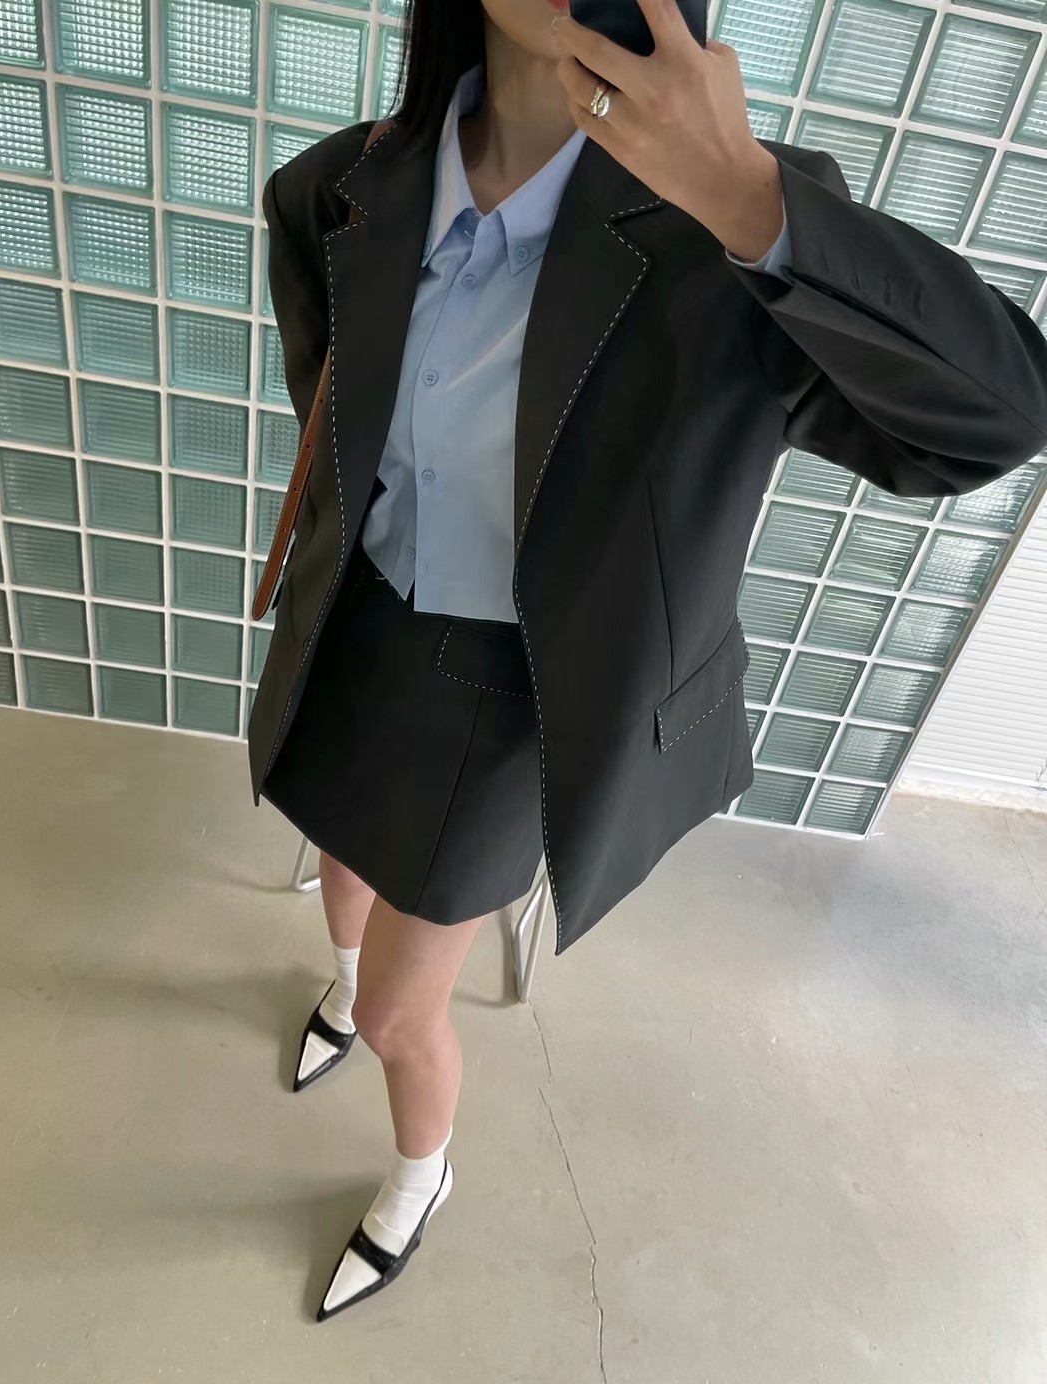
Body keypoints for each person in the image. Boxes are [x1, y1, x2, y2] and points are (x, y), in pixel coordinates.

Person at [248, 0, 1047, 1321]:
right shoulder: (347, 184)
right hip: (356, 630)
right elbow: (336, 415)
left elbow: (997, 420)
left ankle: (420, 1175)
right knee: (338, 860)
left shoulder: (725, 229)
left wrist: (748, 200)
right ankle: (337, 985)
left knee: (399, 1014)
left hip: (514, 702)